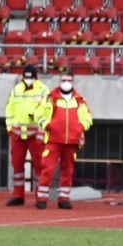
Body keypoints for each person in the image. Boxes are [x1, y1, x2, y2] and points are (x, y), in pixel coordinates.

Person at [40, 72, 93, 209]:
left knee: (68, 170)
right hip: (53, 139)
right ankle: (42, 198)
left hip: (71, 141)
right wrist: (47, 125)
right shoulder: (51, 98)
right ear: (59, 81)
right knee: (48, 168)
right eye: (64, 80)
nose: (66, 82)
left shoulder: (80, 100)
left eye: (69, 80)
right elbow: (40, 114)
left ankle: (64, 198)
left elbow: (87, 117)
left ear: (73, 82)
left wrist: (81, 127)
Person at [4, 64, 50, 206]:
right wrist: (10, 127)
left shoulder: (43, 90)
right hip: (17, 135)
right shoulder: (16, 89)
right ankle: (18, 195)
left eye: (30, 78)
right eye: (25, 78)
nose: (28, 80)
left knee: (39, 166)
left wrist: (41, 130)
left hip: (36, 135)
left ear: (36, 77)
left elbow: (47, 111)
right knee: (17, 165)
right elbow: (9, 109)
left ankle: (40, 197)